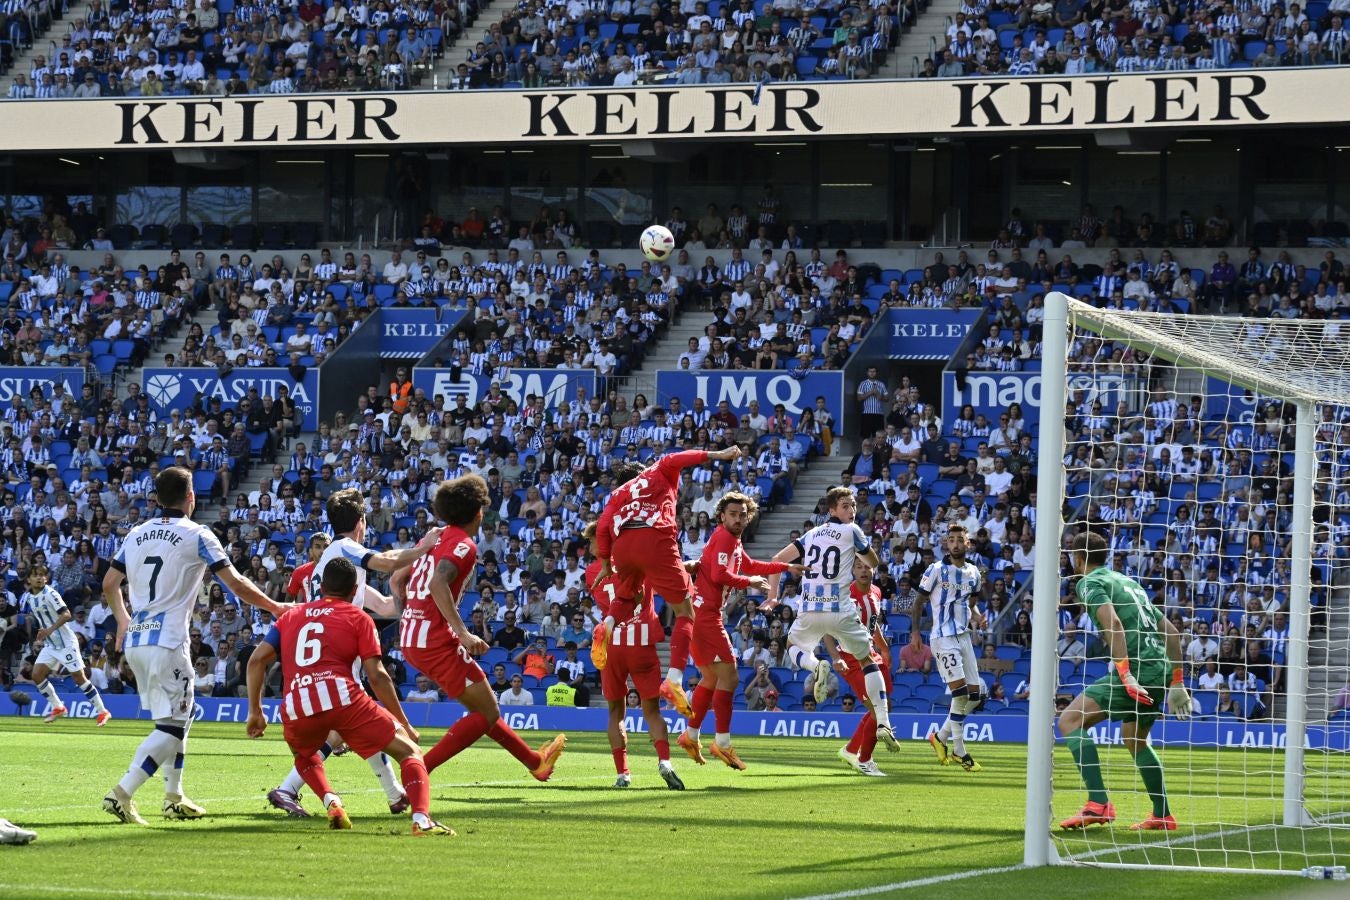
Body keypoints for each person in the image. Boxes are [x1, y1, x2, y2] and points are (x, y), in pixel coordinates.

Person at [102, 466, 287, 825]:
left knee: (179, 717)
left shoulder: (136, 533)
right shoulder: (197, 534)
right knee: (172, 726)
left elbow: (110, 583)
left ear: (156, 498)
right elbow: (236, 584)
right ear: (191, 497)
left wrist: (123, 619)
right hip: (168, 640)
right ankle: (122, 793)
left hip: (138, 640)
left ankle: (174, 796)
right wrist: (276, 606)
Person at [265, 489, 443, 818]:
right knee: (357, 727)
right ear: (361, 521)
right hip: (335, 658)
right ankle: (289, 788)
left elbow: (388, 608)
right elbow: (385, 561)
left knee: (350, 729)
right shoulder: (344, 548)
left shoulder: (344, 570)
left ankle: (393, 794)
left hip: (326, 657)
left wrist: (399, 588)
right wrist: (424, 547)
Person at [244, 557, 451, 835]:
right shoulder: (358, 617)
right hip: (344, 699)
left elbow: (256, 661)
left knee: (305, 756)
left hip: (297, 704)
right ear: (355, 591)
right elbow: (377, 676)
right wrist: (403, 722)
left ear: (321, 587)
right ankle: (422, 820)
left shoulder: (290, 616)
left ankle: (332, 802)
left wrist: (255, 711)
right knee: (409, 752)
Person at [389, 475, 565, 781]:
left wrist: (410, 615)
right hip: (435, 641)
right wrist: (462, 632)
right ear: (478, 512)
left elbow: (395, 580)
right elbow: (437, 583)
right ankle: (418, 772)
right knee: (488, 712)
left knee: (484, 709)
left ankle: (535, 762)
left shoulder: (432, 536)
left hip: (412, 638)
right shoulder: (464, 544)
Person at [591, 446, 744, 716]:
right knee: (685, 611)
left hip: (623, 544)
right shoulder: (659, 470)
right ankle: (674, 679)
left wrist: (605, 563)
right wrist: (718, 455)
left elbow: (603, 526)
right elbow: (678, 458)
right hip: (655, 538)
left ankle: (608, 625)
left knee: (628, 594)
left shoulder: (619, 492)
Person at [1058, 531, 1192, 832]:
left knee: (1070, 721)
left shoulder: (1089, 583)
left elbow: (1113, 624)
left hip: (1137, 669)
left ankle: (1098, 803)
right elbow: (1171, 633)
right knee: (1135, 740)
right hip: (1159, 669)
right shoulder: (1129, 583)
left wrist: (1125, 672)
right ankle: (1162, 815)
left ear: (1077, 558)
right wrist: (1177, 681)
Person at [765, 486, 898, 752]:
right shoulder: (852, 531)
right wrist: (860, 551)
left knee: (791, 646)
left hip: (810, 610)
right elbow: (873, 561)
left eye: (853, 505)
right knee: (867, 660)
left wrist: (772, 596)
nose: (852, 510)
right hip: (840, 610)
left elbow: (777, 560)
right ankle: (883, 721)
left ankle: (816, 667)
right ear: (832, 509)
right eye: (846, 506)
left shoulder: (811, 534)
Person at [679, 491, 797, 770]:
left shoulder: (731, 539)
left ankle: (691, 735)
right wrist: (751, 582)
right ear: (721, 515)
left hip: (700, 612)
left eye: (743, 515)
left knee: (711, 677)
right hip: (706, 615)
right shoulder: (724, 537)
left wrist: (786, 566)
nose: (738, 519)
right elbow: (720, 575)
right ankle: (722, 743)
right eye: (733, 514)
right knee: (730, 678)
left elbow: (750, 564)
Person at [584, 521, 684, 790]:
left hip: (611, 646)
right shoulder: (639, 562)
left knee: (616, 712)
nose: (590, 547)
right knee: (652, 711)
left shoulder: (592, 572)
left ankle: (623, 773)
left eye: (591, 541)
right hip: (642, 643)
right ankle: (665, 762)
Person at [917, 524, 987, 772]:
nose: (956, 543)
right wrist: (915, 633)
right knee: (961, 695)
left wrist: (977, 617)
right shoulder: (936, 569)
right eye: (952, 539)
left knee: (975, 697)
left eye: (960, 540)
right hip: (943, 637)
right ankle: (959, 751)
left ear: (967, 544)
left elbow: (971, 602)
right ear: (947, 543)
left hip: (964, 637)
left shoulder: (974, 572)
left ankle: (940, 737)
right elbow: (918, 602)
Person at [21, 566, 111, 726]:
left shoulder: (51, 594)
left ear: (46, 578)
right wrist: (42, 630)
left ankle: (102, 711)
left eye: (42, 575)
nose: (39, 578)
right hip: (51, 644)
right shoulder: (28, 597)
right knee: (37, 675)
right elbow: (42, 617)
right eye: (35, 575)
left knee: (79, 678)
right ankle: (58, 707)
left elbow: (67, 614)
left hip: (66, 644)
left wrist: (49, 629)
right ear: (29, 579)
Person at [828, 558, 892, 777]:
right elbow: (827, 628)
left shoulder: (876, 592)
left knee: (884, 705)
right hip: (851, 658)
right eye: (859, 567)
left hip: (871, 654)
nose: (864, 570)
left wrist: (884, 649)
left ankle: (851, 750)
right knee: (876, 709)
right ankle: (864, 760)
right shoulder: (844, 595)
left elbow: (872, 625)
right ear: (852, 570)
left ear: (873, 569)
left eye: (867, 567)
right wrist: (835, 657)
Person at [284, 532, 330, 602]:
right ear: (311, 550)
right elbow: (288, 600)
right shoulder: (299, 571)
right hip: (309, 608)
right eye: (317, 547)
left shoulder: (339, 570)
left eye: (326, 547)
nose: (322, 551)